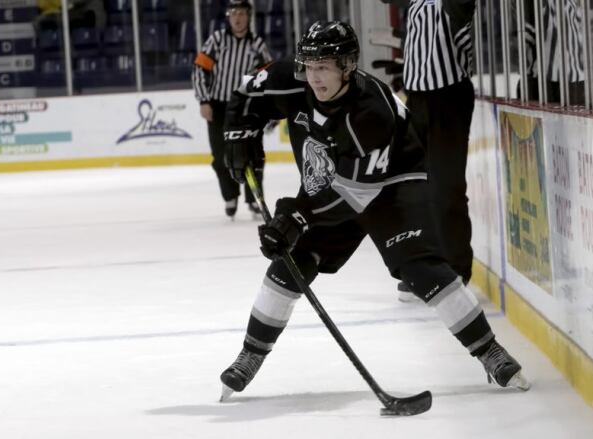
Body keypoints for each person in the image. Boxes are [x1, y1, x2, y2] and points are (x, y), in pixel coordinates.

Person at [218, 20, 530, 401]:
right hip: (333, 185)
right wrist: (239, 132)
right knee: (289, 265)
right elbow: (245, 93)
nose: (314, 78)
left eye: (324, 68)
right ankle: (249, 356)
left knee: (419, 266)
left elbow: (352, 192)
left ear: (347, 66)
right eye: (310, 67)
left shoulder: (370, 112)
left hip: (393, 186)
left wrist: (296, 217)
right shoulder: (293, 79)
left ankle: (490, 351)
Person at [396, 0, 478, 302]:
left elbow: (461, 11)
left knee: (446, 187)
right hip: (417, 98)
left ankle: (455, 270)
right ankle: (428, 266)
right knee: (416, 186)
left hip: (447, 98)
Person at [192, 0, 273, 218]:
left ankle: (254, 198)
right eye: (234, 13)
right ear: (228, 16)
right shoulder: (217, 40)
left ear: (249, 16)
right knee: (220, 158)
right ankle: (230, 195)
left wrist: (268, 109)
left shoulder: (257, 45)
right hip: (218, 107)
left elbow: (267, 77)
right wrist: (203, 100)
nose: (237, 18)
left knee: (253, 155)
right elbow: (200, 69)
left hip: (245, 107)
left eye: (242, 13)